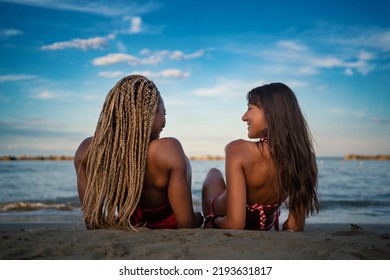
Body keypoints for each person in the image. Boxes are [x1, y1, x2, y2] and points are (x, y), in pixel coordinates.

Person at [74, 75, 203, 230]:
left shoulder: (87, 151)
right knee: (187, 161)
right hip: (169, 224)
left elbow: (92, 224)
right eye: (164, 113)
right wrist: (198, 218)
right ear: (149, 112)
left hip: (128, 224)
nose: (165, 121)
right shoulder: (168, 149)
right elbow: (186, 224)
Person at [202, 82, 319, 231]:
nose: (244, 117)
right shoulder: (306, 158)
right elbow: (295, 225)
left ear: (271, 113)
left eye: (249, 108)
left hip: (223, 214)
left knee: (214, 172)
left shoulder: (238, 149)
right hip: (264, 224)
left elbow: (235, 224)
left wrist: (214, 221)